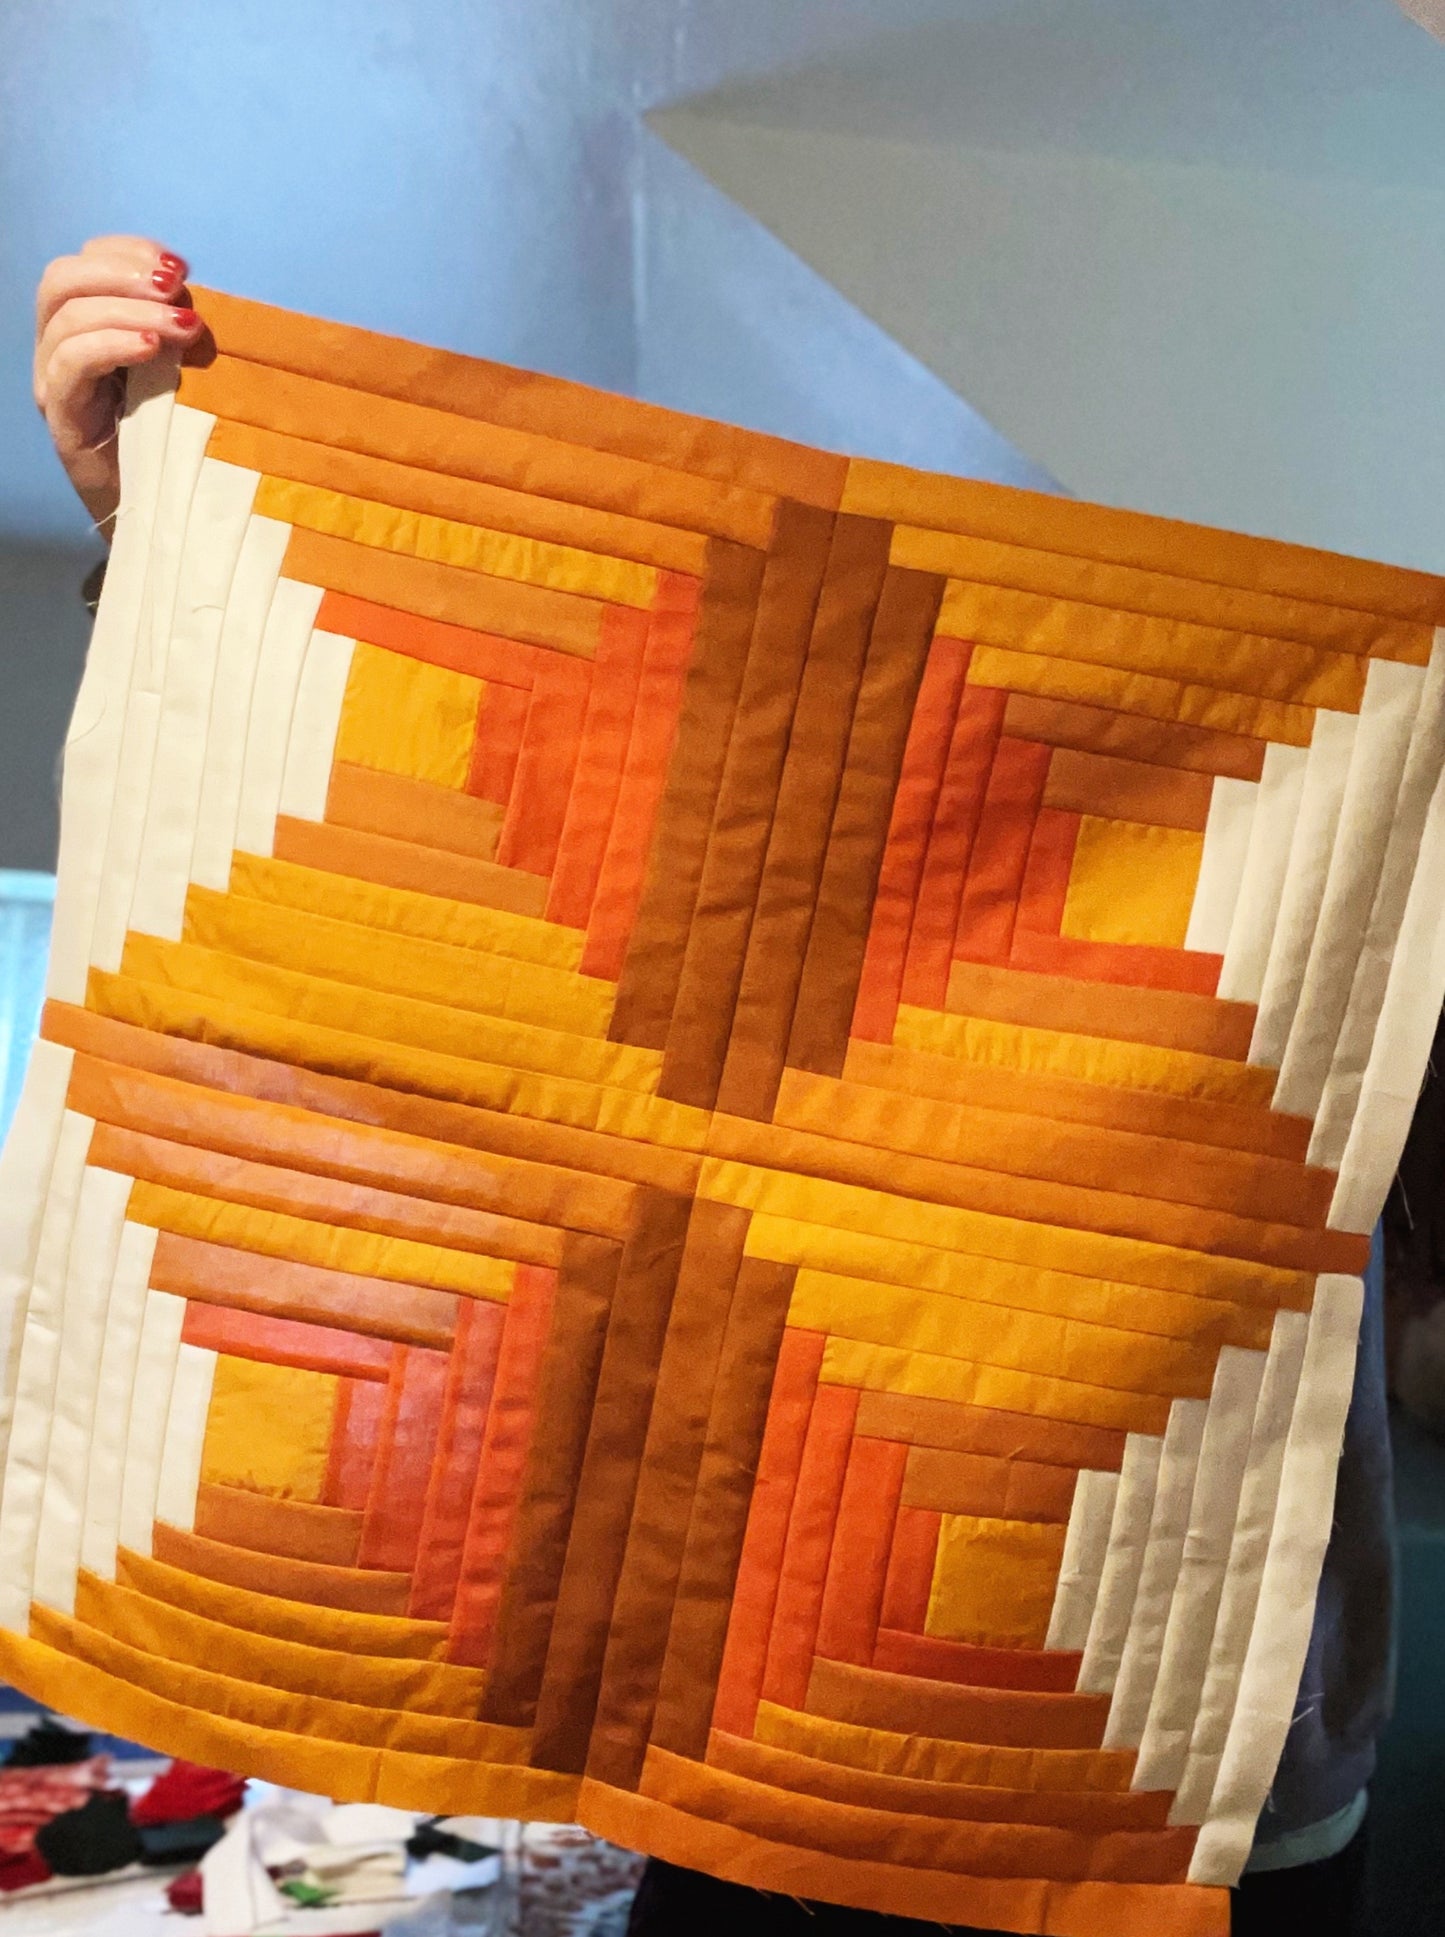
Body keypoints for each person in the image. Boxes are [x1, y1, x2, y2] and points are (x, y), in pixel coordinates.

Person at [34, 236, 1385, 1937]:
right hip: (725, 1728)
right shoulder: (670, 904)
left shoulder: (1338, 817)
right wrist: (171, 535)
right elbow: (340, 973)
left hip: (1186, 1773)